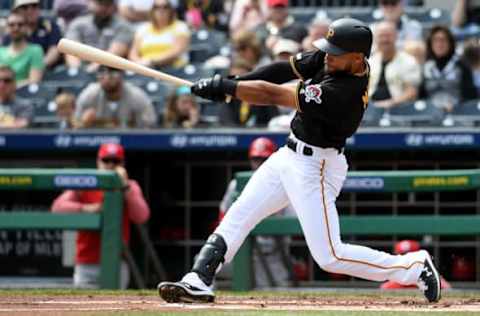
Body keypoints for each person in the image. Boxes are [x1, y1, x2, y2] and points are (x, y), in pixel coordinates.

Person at [158, 18, 442, 304]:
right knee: (238, 215)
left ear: (357, 58)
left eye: (335, 52)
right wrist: (233, 84)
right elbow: (281, 70)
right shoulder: (336, 57)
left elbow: (272, 94)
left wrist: (228, 89)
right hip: (288, 155)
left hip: (317, 167)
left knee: (330, 256)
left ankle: (413, 267)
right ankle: (198, 279)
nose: (327, 55)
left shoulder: (344, 92)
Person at [51, 143, 150, 289]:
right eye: (106, 160)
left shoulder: (130, 186)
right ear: (98, 161)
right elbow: (57, 208)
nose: (110, 165)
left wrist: (124, 188)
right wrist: (86, 208)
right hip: (87, 262)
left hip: (117, 262)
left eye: (115, 161)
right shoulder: (86, 183)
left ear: (122, 164)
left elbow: (142, 216)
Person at [218, 137, 294, 288]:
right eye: (255, 159)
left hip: (273, 254)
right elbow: (222, 218)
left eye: (263, 159)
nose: (258, 163)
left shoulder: (285, 183)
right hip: (241, 253)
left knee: (278, 295)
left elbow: (294, 223)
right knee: (205, 264)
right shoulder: (236, 185)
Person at [74, 66, 156, 128]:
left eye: (111, 72)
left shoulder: (137, 96)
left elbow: (150, 128)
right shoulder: (89, 95)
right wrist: (83, 124)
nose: (106, 77)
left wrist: (136, 124)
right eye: (102, 72)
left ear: (121, 75)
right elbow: (74, 126)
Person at [419, 25, 477, 113]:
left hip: (458, 114)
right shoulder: (426, 67)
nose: (439, 44)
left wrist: (457, 107)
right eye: (435, 40)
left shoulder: (461, 65)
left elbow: (470, 96)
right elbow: (421, 97)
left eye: (443, 40)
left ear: (450, 43)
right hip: (430, 115)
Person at [65, 0, 133, 72]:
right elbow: (70, 50)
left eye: (107, 4)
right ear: (90, 3)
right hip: (81, 69)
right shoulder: (78, 23)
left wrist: (91, 70)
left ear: (113, 6)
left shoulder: (123, 26)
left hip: (110, 71)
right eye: (100, 3)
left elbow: (112, 56)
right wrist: (77, 70)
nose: (103, 8)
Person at [369, 21, 421, 110]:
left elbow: (412, 93)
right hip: (370, 110)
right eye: (381, 36)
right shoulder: (369, 62)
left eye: (388, 35)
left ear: (396, 36)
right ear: (375, 39)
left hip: (399, 110)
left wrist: (389, 103)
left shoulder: (409, 61)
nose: (385, 39)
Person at [129, 0, 191, 69]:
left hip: (173, 69)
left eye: (165, 7)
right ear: (152, 10)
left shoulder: (180, 26)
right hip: (146, 69)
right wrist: (140, 62)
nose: (161, 10)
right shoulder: (143, 28)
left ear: (171, 10)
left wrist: (152, 61)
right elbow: (133, 54)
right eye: (156, 7)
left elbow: (177, 50)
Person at [7, 0, 63, 69]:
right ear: (17, 10)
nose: (30, 10)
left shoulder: (50, 26)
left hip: (50, 72)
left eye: (34, 6)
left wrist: (36, 68)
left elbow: (54, 51)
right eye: (25, 7)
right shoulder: (12, 31)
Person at [381, 240, 451, 290]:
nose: (406, 260)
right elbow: (383, 288)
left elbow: (447, 288)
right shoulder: (393, 281)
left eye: (409, 256)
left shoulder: (429, 276)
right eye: (402, 256)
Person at [0, 12, 44, 86]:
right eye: (11, 25)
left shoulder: (35, 50)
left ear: (27, 27)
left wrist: (7, 86)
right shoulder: (0, 51)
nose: (16, 28)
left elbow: (34, 81)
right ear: (7, 28)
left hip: (26, 96)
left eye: (20, 25)